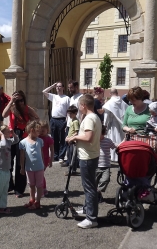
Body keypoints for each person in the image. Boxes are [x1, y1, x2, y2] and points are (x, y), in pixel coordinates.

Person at [66, 94, 102, 229]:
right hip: (91, 155)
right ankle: (88, 210)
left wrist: (73, 137)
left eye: (80, 105)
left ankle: (92, 219)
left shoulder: (89, 119)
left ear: (83, 106)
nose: (79, 108)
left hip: (87, 157)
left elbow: (88, 137)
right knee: (90, 186)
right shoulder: (93, 117)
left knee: (89, 188)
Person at [2, 90, 39, 198]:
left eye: (22, 100)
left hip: (22, 137)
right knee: (8, 163)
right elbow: (4, 114)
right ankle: (9, 185)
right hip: (11, 136)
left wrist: (29, 123)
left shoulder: (27, 108)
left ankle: (19, 189)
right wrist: (11, 101)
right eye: (18, 100)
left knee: (20, 163)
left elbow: (37, 118)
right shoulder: (12, 108)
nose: (21, 102)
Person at [19, 120, 45, 210]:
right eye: (38, 131)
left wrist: (44, 164)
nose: (39, 133)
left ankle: (37, 202)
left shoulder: (40, 141)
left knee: (39, 185)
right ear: (31, 130)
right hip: (29, 168)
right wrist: (22, 167)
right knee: (31, 185)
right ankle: (32, 199)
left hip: (39, 167)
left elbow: (41, 153)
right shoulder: (23, 142)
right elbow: (22, 157)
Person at [43, 82, 70, 163]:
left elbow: (68, 111)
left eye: (60, 86)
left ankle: (61, 156)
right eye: (57, 86)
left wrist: (67, 122)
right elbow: (44, 92)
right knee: (54, 138)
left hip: (62, 120)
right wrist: (52, 86)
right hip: (53, 120)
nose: (58, 88)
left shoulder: (66, 98)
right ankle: (55, 155)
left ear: (63, 88)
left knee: (62, 138)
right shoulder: (54, 96)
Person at [102, 88, 127, 161]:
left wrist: (104, 125)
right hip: (122, 124)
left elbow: (106, 116)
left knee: (113, 139)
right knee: (121, 139)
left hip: (112, 124)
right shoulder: (123, 102)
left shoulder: (109, 103)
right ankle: (121, 155)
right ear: (117, 93)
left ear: (110, 94)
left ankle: (114, 156)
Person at [63, 80, 83, 167]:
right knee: (68, 144)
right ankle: (69, 161)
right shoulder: (71, 98)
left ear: (76, 87)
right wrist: (66, 122)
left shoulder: (81, 97)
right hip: (69, 124)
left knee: (74, 145)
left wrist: (81, 123)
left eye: (71, 87)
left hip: (76, 124)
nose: (69, 89)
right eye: (69, 87)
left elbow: (82, 112)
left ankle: (74, 163)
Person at [96, 125, 117, 203]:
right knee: (95, 182)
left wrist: (124, 141)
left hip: (105, 166)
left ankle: (97, 191)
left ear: (104, 133)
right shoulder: (93, 141)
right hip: (96, 166)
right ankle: (98, 196)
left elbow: (115, 146)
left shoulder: (108, 141)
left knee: (105, 179)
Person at [39, 121, 54, 196]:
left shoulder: (48, 139)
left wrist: (51, 161)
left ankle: (43, 189)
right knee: (40, 174)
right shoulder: (38, 138)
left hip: (45, 159)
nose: (41, 132)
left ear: (47, 130)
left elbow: (52, 150)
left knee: (41, 174)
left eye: (43, 131)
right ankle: (42, 188)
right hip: (38, 158)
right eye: (40, 130)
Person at [64, 105, 80, 176]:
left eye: (71, 114)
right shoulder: (71, 121)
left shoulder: (76, 121)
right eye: (69, 114)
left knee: (73, 156)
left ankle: (73, 170)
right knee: (69, 156)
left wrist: (70, 138)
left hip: (73, 141)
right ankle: (70, 169)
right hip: (69, 140)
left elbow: (76, 132)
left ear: (75, 113)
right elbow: (70, 130)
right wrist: (67, 136)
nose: (69, 115)